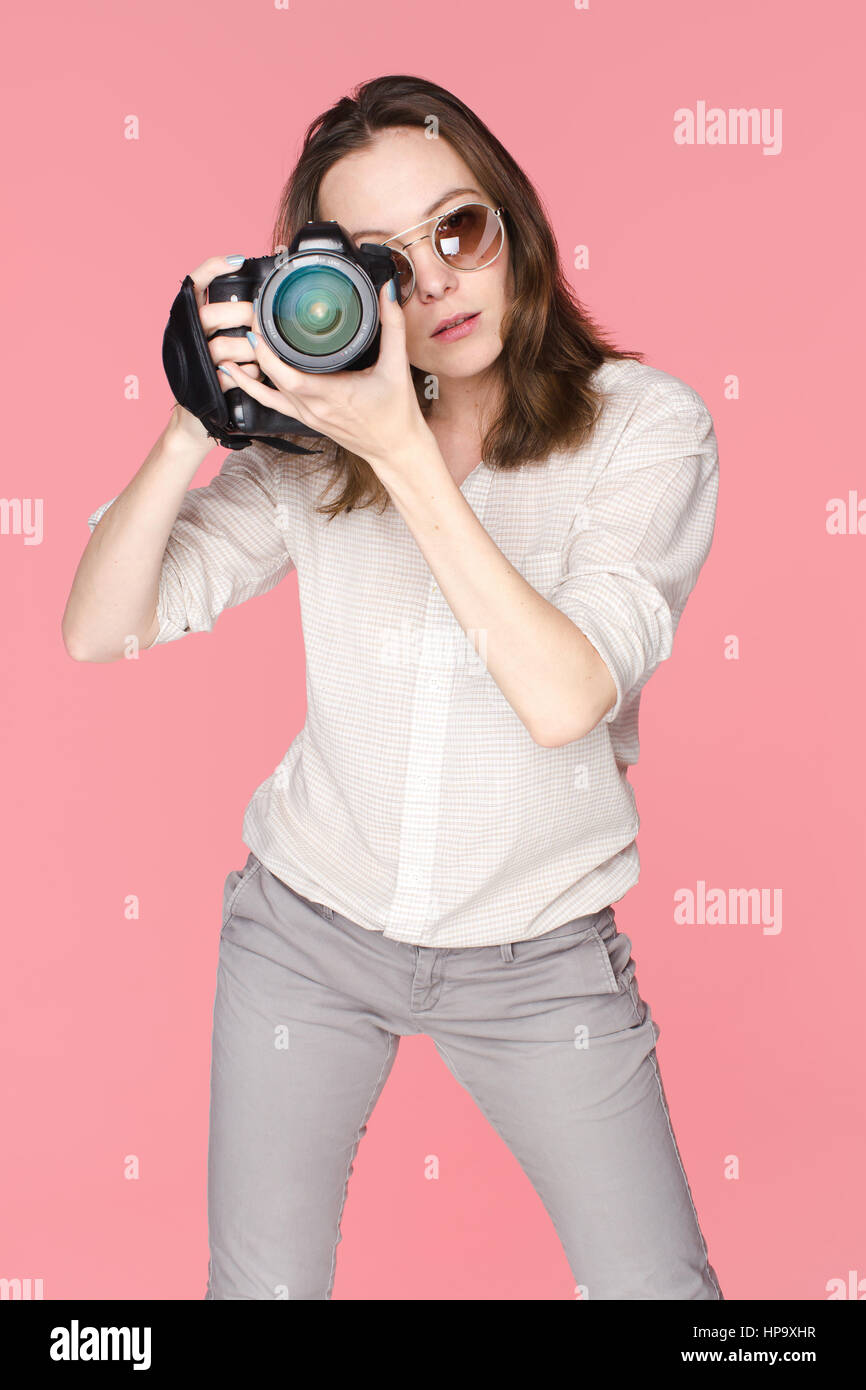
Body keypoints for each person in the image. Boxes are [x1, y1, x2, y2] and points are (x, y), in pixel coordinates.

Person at [62, 74, 723, 1301]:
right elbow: (101, 628)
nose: (434, 286)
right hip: (307, 931)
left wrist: (399, 446)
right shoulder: (319, 447)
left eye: (457, 230)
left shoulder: (647, 429)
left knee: (664, 1300)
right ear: (341, 290)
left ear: (513, 224)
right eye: (383, 262)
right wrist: (189, 423)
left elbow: (565, 695)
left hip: (538, 958)